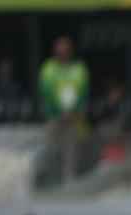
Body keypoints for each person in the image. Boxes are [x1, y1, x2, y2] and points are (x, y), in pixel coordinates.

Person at [38, 37, 89, 183]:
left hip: (74, 115)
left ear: (70, 51)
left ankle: (70, 178)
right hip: (54, 116)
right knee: (51, 147)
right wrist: (57, 111)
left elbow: (84, 92)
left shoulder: (79, 69)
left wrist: (75, 110)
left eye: (66, 49)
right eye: (60, 49)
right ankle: (50, 177)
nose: (63, 52)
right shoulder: (48, 68)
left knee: (72, 148)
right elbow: (45, 92)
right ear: (55, 51)